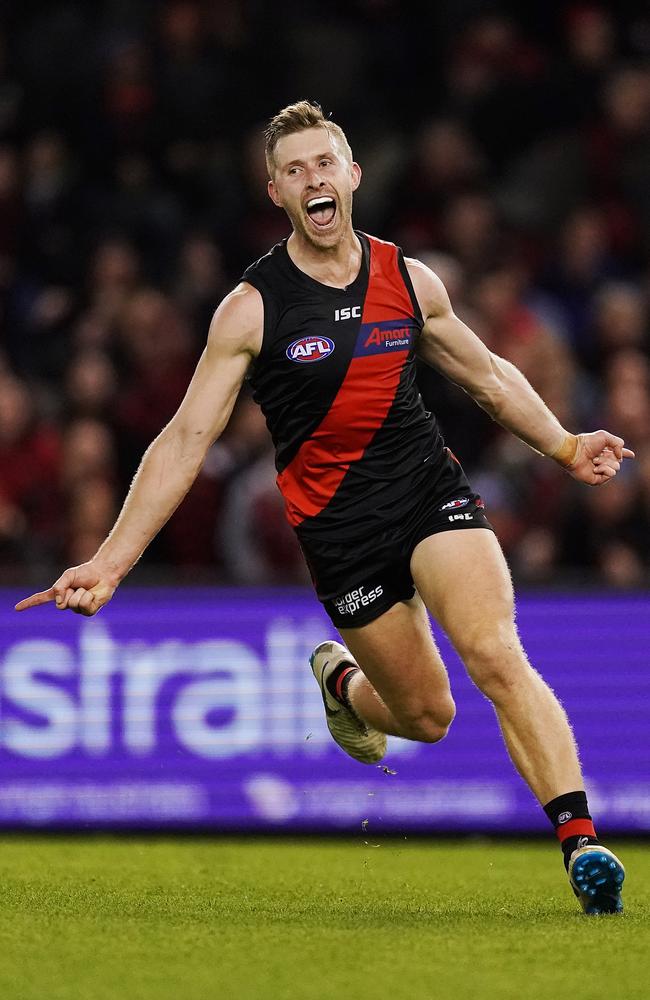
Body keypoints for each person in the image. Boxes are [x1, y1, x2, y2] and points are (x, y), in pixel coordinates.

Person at [16, 101, 633, 915]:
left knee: (494, 653)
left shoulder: (409, 279)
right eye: (295, 169)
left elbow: (486, 375)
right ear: (276, 191)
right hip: (341, 534)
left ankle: (581, 844)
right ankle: (342, 684)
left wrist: (561, 443)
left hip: (427, 493)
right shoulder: (252, 308)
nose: (314, 179)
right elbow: (184, 440)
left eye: (325, 163)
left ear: (353, 175)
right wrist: (110, 561)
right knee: (427, 714)